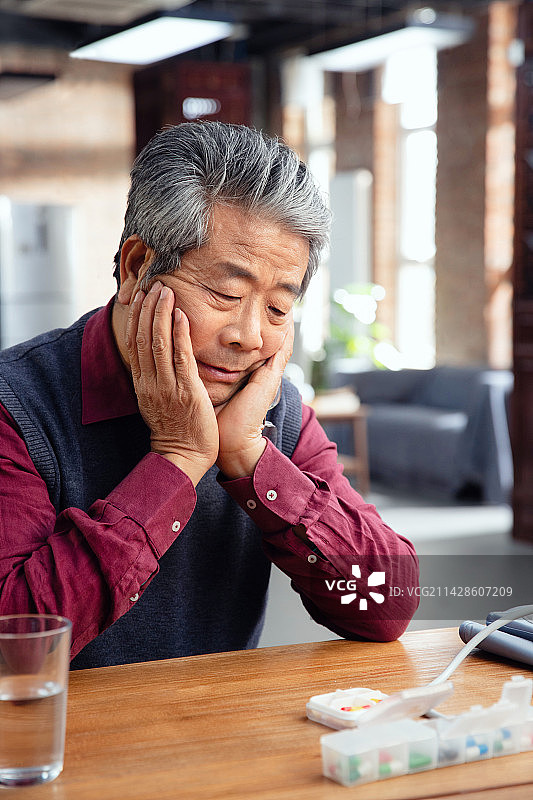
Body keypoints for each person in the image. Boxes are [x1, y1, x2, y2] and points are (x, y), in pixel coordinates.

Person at [0, 122, 418, 668]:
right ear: (135, 268)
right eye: (225, 293)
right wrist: (178, 458)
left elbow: (387, 605)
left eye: (276, 310)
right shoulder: (17, 405)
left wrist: (248, 456)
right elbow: (13, 647)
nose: (247, 336)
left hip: (219, 742)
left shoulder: (271, 409)